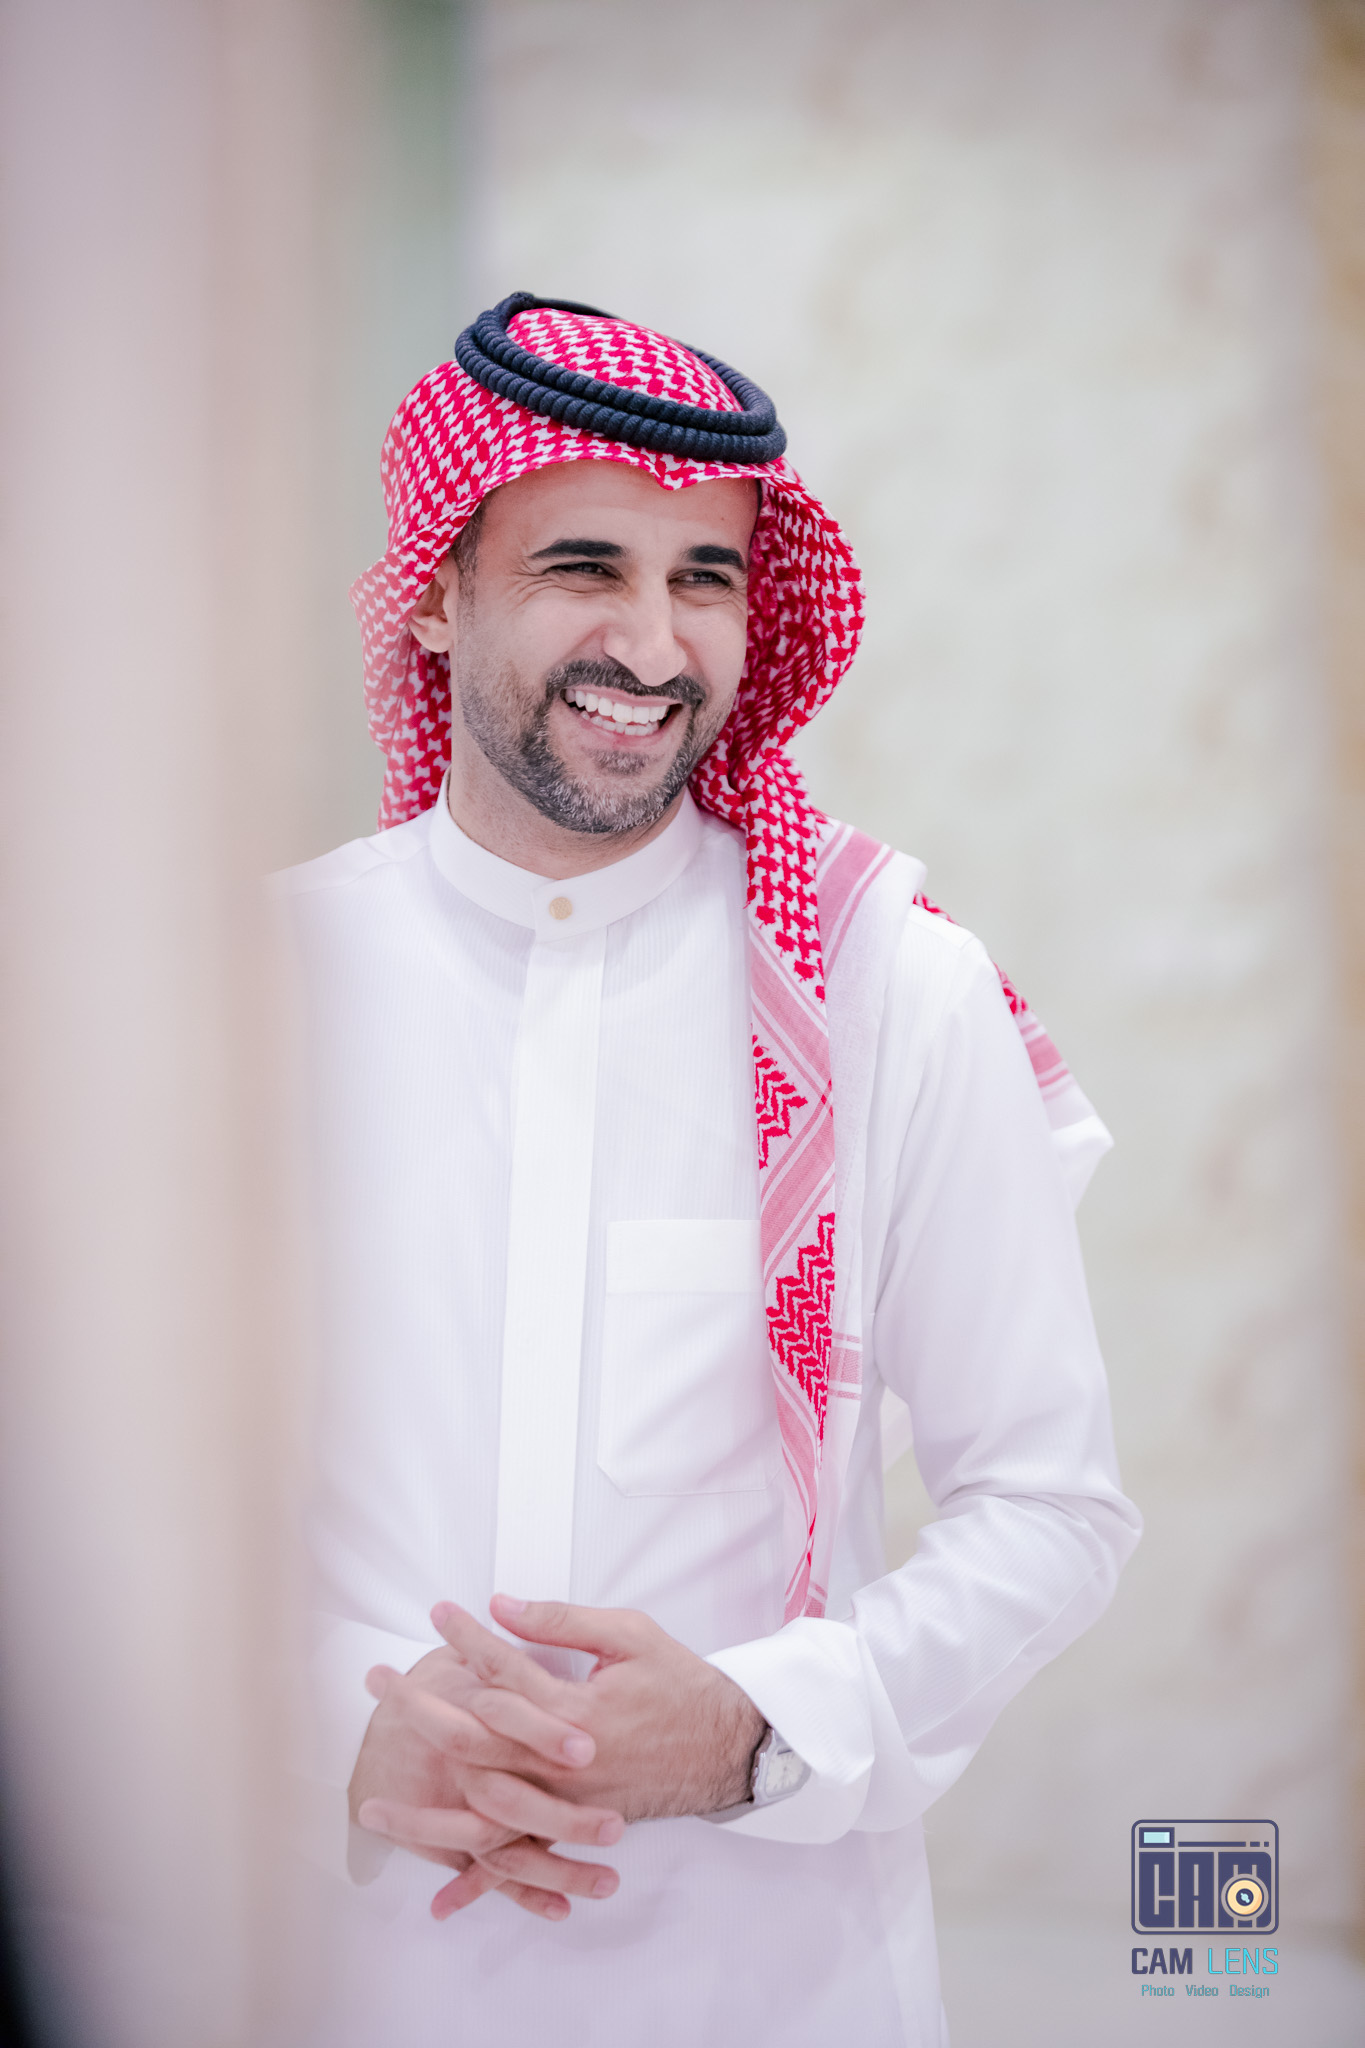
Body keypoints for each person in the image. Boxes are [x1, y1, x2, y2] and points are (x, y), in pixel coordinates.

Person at [279, 292, 1141, 2048]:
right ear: (435, 593)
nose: (655, 644)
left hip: (763, 1980)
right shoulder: (250, 989)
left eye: (706, 579)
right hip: (319, 1967)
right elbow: (97, 1502)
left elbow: (1050, 1510)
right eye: (582, 566)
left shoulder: (883, 985)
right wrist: (329, 1728)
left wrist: (755, 1728)